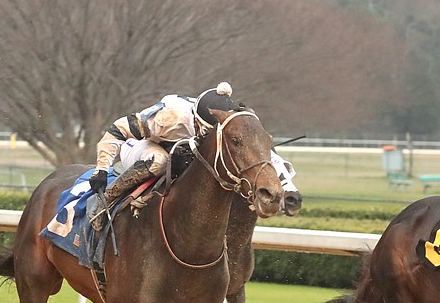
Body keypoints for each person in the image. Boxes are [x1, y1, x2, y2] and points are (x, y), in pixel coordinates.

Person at [87, 81, 289, 228]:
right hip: (141, 146)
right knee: (160, 161)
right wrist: (101, 169)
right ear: (196, 120)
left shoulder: (225, 120)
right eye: (206, 131)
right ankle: (105, 202)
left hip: (180, 148)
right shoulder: (168, 118)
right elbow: (117, 130)